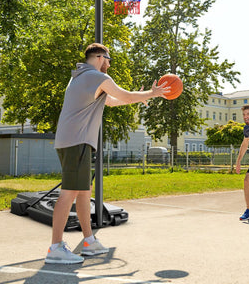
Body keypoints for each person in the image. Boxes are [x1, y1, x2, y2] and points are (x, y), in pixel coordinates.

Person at [45, 43, 169, 264]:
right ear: (101, 57)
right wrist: (153, 93)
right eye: (109, 60)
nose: (110, 65)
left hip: (72, 141)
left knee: (83, 192)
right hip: (77, 142)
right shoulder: (95, 76)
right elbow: (124, 95)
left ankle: (89, 241)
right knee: (69, 193)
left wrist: (141, 97)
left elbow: (112, 100)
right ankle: (55, 247)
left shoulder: (79, 76)